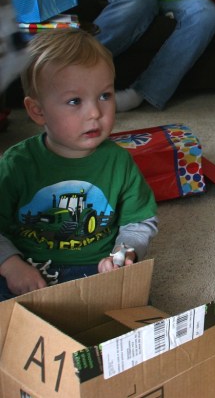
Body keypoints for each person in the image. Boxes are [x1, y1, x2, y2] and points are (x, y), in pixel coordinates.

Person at [0, 28, 158, 300]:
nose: (95, 112)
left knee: (137, 309)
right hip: (27, 267)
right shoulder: (16, 165)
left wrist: (123, 254)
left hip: (96, 267)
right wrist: (10, 264)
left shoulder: (118, 162)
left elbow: (139, 222)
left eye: (105, 96)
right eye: (75, 101)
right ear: (37, 111)